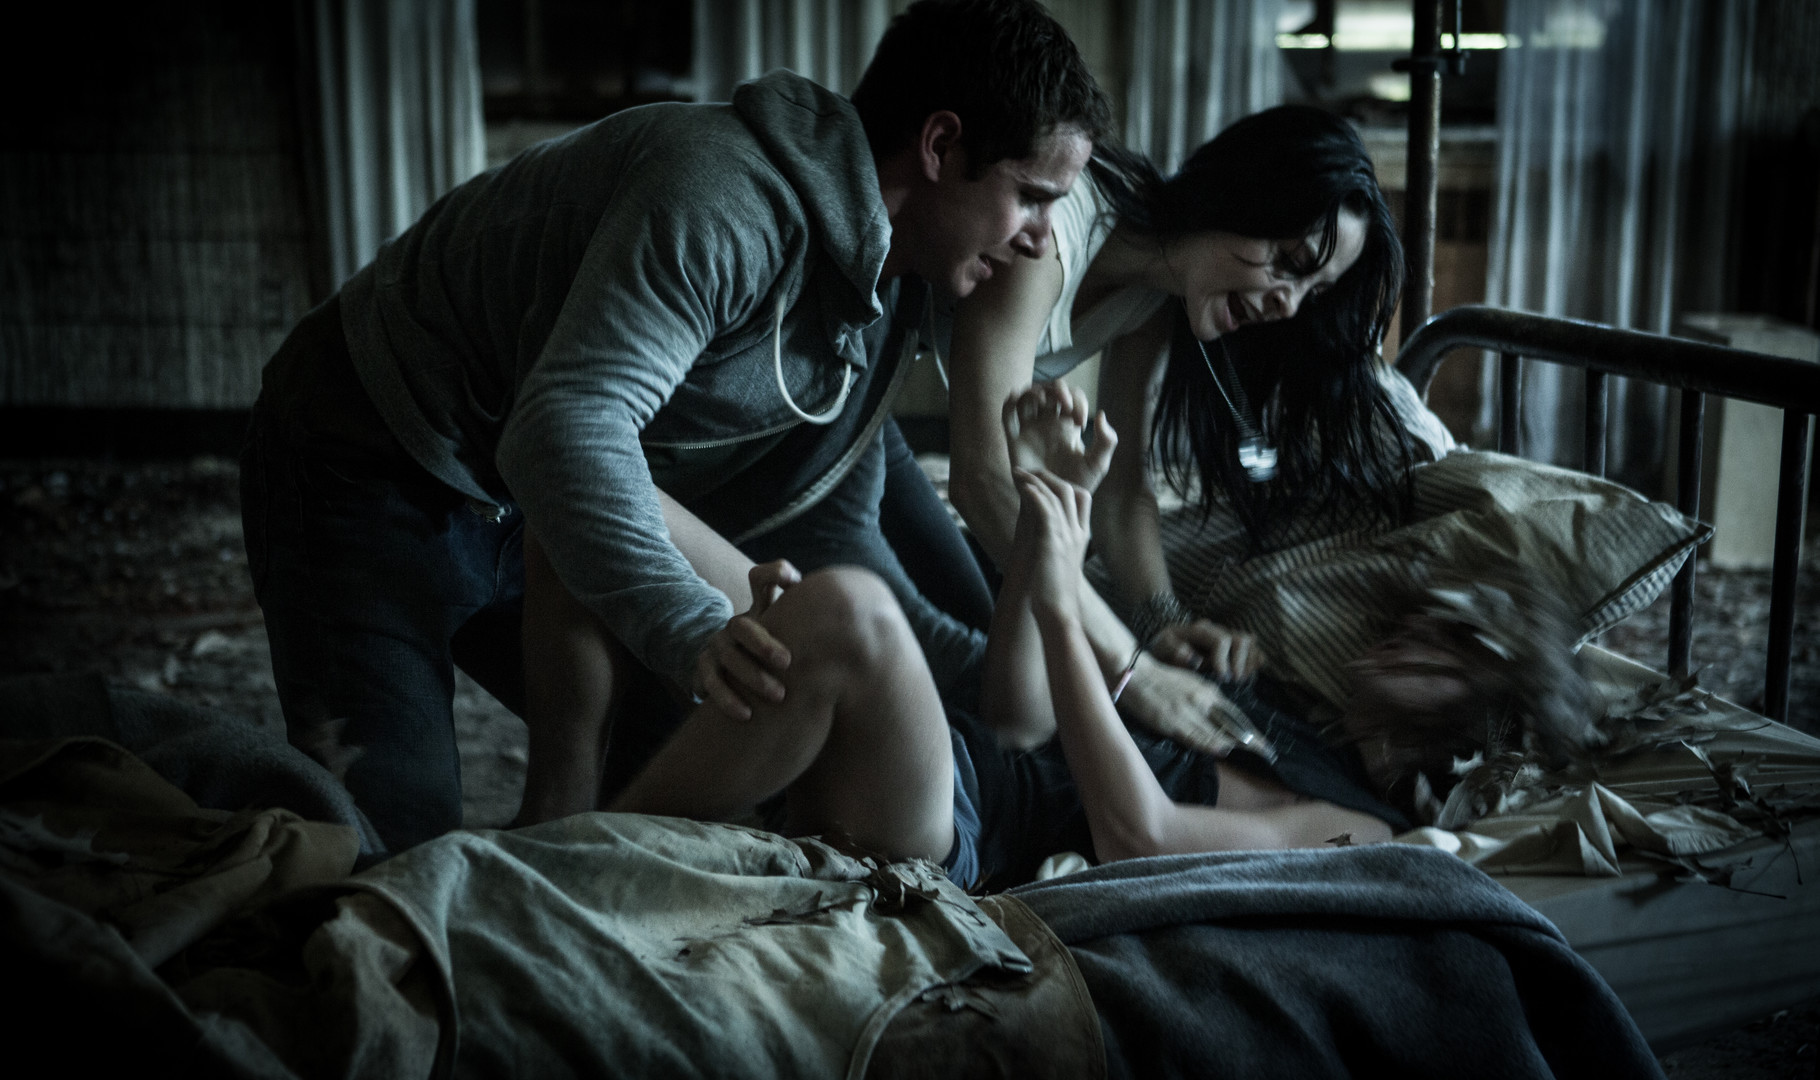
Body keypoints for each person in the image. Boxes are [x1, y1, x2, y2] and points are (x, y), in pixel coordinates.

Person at [239, 0, 1110, 856]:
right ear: (941, 145)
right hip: (369, 448)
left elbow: (833, 534)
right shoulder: (724, 195)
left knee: (696, 768)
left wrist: (985, 683)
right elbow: (565, 432)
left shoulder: (887, 283)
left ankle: (551, 839)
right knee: (388, 855)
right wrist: (692, 628)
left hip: (531, 493)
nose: (1042, 240)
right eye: (1032, 198)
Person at [611, 387, 1407, 890]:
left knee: (852, 613)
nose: (1417, 635)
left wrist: (1064, 608)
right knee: (611, 500)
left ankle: (587, 860)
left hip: (960, 837)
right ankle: (562, 818)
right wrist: (1044, 516)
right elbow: (1017, 719)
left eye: (1456, 646)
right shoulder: (1286, 716)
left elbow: (1140, 838)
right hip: (949, 747)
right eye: (1427, 623)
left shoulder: (1366, 829)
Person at [913, 105, 1450, 759]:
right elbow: (983, 480)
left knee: (998, 652)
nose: (1287, 304)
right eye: (1289, 262)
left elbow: (1123, 491)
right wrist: (1132, 669)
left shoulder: (1159, 284)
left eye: (1313, 290)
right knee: (969, 675)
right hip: (839, 420)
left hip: (872, 430)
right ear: (1239, 193)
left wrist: (1162, 622)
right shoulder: (1051, 237)